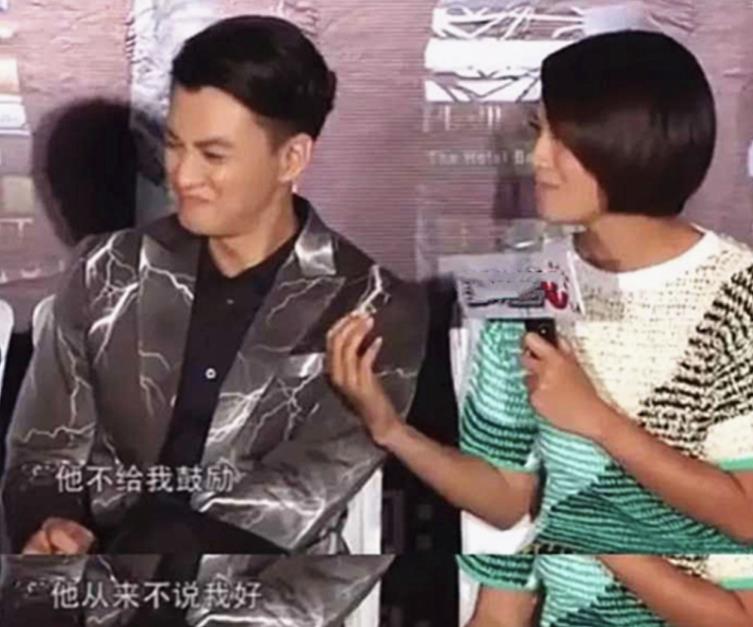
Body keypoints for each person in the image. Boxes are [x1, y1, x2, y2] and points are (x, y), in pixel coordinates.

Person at [1, 15, 424, 625]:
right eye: (174, 145)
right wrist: (54, 523)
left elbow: (295, 498)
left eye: (213, 155)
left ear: (292, 157)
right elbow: (41, 451)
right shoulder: (105, 269)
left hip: (261, 598)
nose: (182, 175)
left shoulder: (375, 306)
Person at [327, 30, 753, 625]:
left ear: (629, 139)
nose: (536, 159)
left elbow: (745, 514)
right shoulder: (524, 283)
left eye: (563, 138)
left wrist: (596, 424)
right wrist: (390, 429)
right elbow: (507, 498)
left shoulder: (737, 294)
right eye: (538, 132)